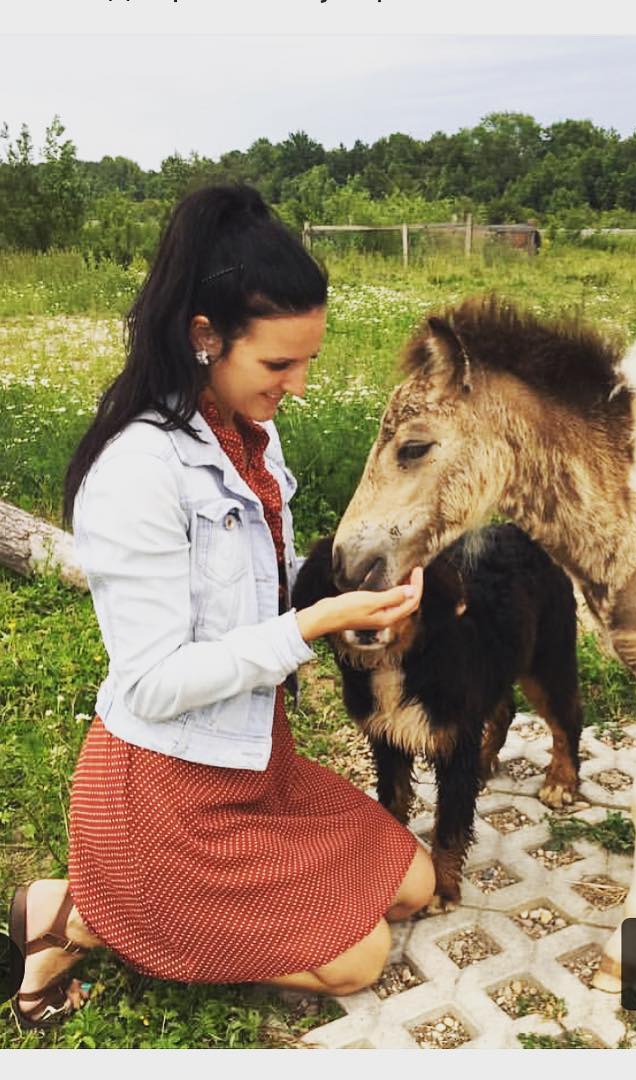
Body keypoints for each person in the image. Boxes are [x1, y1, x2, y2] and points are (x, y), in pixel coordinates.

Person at [6, 184, 435, 1029]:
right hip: (165, 791)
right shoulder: (137, 470)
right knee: (361, 960)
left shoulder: (251, 434)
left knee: (412, 883)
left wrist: (354, 603)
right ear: (205, 337)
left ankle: (109, 906)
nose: (300, 385)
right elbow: (155, 684)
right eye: (279, 364)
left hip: (253, 762)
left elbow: (262, 587)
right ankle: (79, 914)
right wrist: (309, 628)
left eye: (306, 360)